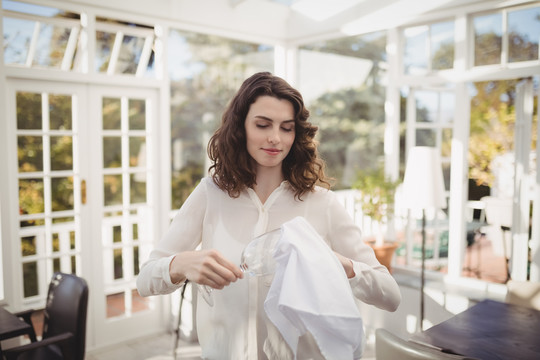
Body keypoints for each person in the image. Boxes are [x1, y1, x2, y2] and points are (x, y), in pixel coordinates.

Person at [136, 72, 401, 359]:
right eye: (263, 125)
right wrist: (180, 264)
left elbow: (390, 294)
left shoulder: (321, 203)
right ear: (241, 127)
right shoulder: (210, 194)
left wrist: (338, 265)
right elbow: (145, 280)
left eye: (286, 128)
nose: (275, 138)